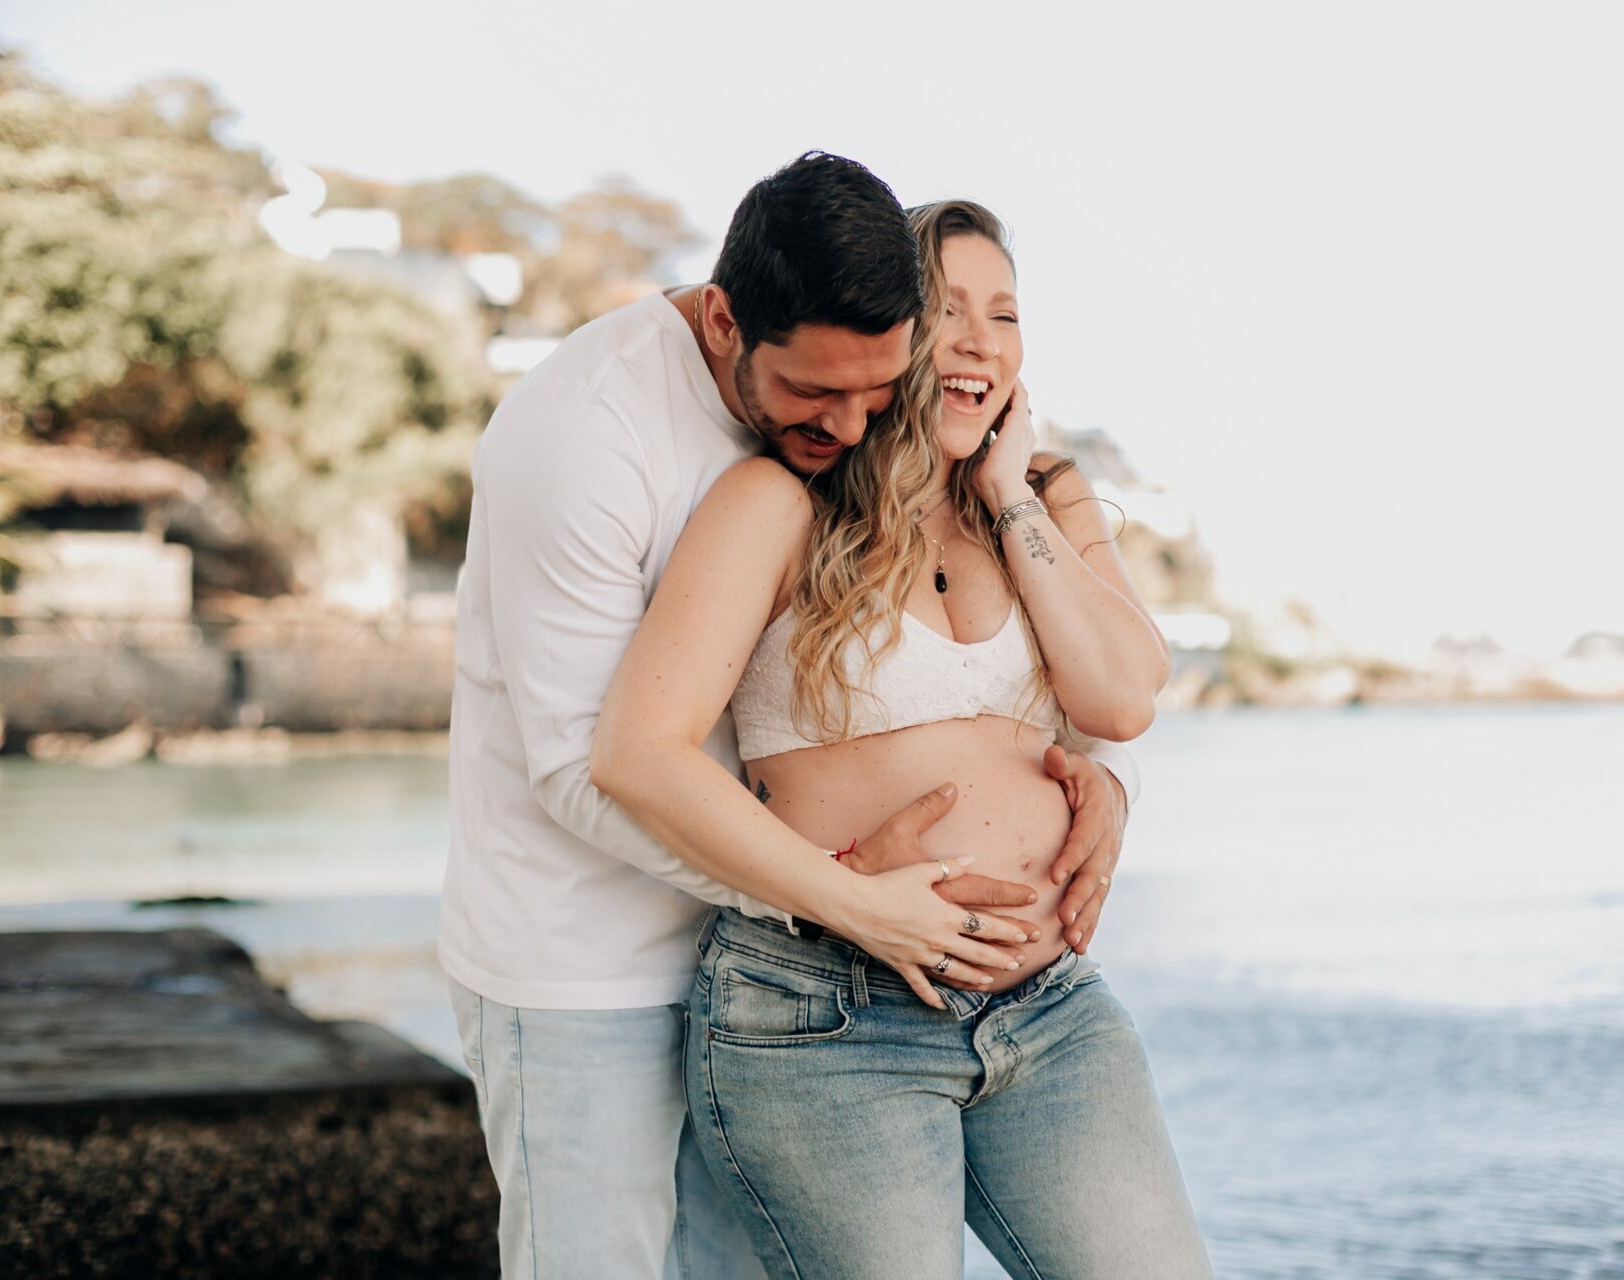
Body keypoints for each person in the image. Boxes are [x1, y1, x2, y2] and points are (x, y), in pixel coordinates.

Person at [440, 154, 1141, 1279]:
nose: (854, 426)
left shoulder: (845, 392)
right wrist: (841, 893)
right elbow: (582, 764)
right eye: (820, 395)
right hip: (591, 959)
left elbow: (984, 689)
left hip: (777, 951)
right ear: (726, 323)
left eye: (879, 389)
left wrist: (1099, 784)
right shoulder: (584, 431)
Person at [593, 200, 1212, 1277]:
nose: (981, 341)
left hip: (1049, 1007)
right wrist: (855, 900)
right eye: (948, 309)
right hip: (833, 1015)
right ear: (889, 333)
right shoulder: (777, 503)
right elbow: (638, 753)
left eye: (1004, 315)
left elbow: (1120, 701)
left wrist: (1009, 494)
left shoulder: (1045, 499)